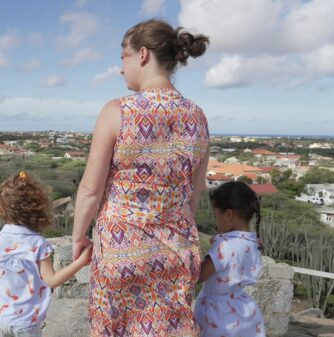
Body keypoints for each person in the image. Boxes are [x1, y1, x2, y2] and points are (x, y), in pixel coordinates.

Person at [71, 19, 210, 336]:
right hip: (176, 254)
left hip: (122, 251)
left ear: (142, 54)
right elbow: (194, 194)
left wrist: (79, 236)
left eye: (123, 57)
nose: (121, 69)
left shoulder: (117, 111)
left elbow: (91, 190)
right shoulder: (198, 116)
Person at [0, 171, 93, 337]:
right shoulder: (38, 244)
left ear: (2, 207)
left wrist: (0, 301)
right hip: (26, 324)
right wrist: (81, 261)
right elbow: (52, 281)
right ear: (37, 209)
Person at [194, 181, 266, 337]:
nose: (216, 220)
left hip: (218, 314)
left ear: (228, 214)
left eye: (216, 215)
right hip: (243, 310)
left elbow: (198, 276)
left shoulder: (224, 246)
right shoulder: (254, 242)